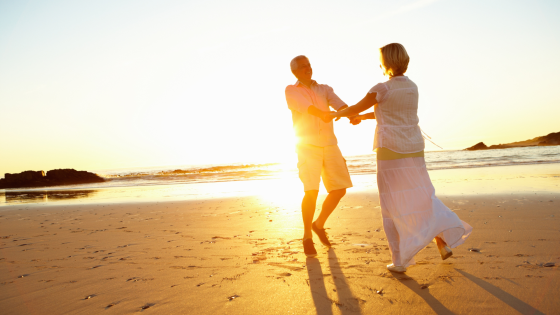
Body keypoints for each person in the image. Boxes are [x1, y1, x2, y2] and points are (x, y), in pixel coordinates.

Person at [325, 43, 472, 273]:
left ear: (387, 63)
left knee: (391, 206)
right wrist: (360, 118)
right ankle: (441, 240)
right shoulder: (412, 87)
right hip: (414, 147)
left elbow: (355, 107)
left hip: (391, 150)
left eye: (381, 60)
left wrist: (336, 114)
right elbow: (387, 111)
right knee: (423, 196)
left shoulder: (381, 88)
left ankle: (400, 261)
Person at [285, 55, 353, 258]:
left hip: (330, 144)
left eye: (309, 65)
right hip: (307, 145)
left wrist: (350, 114)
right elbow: (305, 107)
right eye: (303, 66)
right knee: (311, 191)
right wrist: (322, 114)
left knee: (339, 189)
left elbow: (340, 104)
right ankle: (307, 236)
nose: (308, 68)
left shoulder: (324, 88)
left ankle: (319, 223)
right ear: (295, 71)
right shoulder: (291, 90)